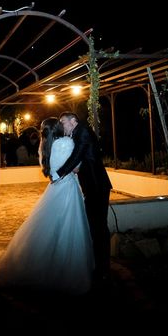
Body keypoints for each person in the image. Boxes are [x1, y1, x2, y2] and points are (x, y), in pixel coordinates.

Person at [0, 117, 94, 295]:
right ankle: (64, 268)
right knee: (68, 228)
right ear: (57, 128)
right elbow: (76, 168)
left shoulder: (43, 145)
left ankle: (41, 263)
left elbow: (48, 168)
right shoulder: (66, 142)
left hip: (54, 188)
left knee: (49, 227)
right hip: (68, 188)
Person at [56, 112, 113, 282]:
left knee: (99, 227)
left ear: (73, 121)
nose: (62, 126)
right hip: (92, 187)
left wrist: (58, 173)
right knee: (95, 226)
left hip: (97, 187)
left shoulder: (83, 132)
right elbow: (84, 160)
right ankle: (99, 264)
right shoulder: (78, 133)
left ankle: (103, 268)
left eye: (63, 122)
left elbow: (78, 155)